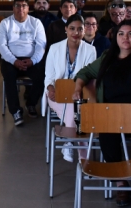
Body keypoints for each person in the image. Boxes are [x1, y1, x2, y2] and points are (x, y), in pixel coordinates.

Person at [74, 20, 131, 205]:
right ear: (115, 37)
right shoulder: (107, 57)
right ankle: (120, 183)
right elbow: (84, 72)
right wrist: (78, 87)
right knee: (106, 137)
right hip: (112, 114)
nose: (126, 38)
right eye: (121, 34)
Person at [45, 14, 96, 162]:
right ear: (65, 29)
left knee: (74, 110)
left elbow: (89, 78)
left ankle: (69, 141)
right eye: (72, 29)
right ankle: (83, 158)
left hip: (80, 95)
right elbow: (49, 77)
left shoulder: (90, 51)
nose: (76, 33)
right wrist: (51, 89)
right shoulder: (54, 49)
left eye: (80, 29)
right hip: (57, 94)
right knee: (73, 111)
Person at [0, 0, 46, 126]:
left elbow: (41, 45)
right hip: (11, 60)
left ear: (28, 8)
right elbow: (2, 46)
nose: (21, 9)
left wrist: (33, 60)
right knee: (9, 76)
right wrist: (14, 61)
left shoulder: (36, 23)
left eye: (24, 6)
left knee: (42, 75)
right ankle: (15, 111)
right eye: (17, 6)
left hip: (31, 60)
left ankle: (31, 104)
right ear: (13, 8)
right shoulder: (5, 23)